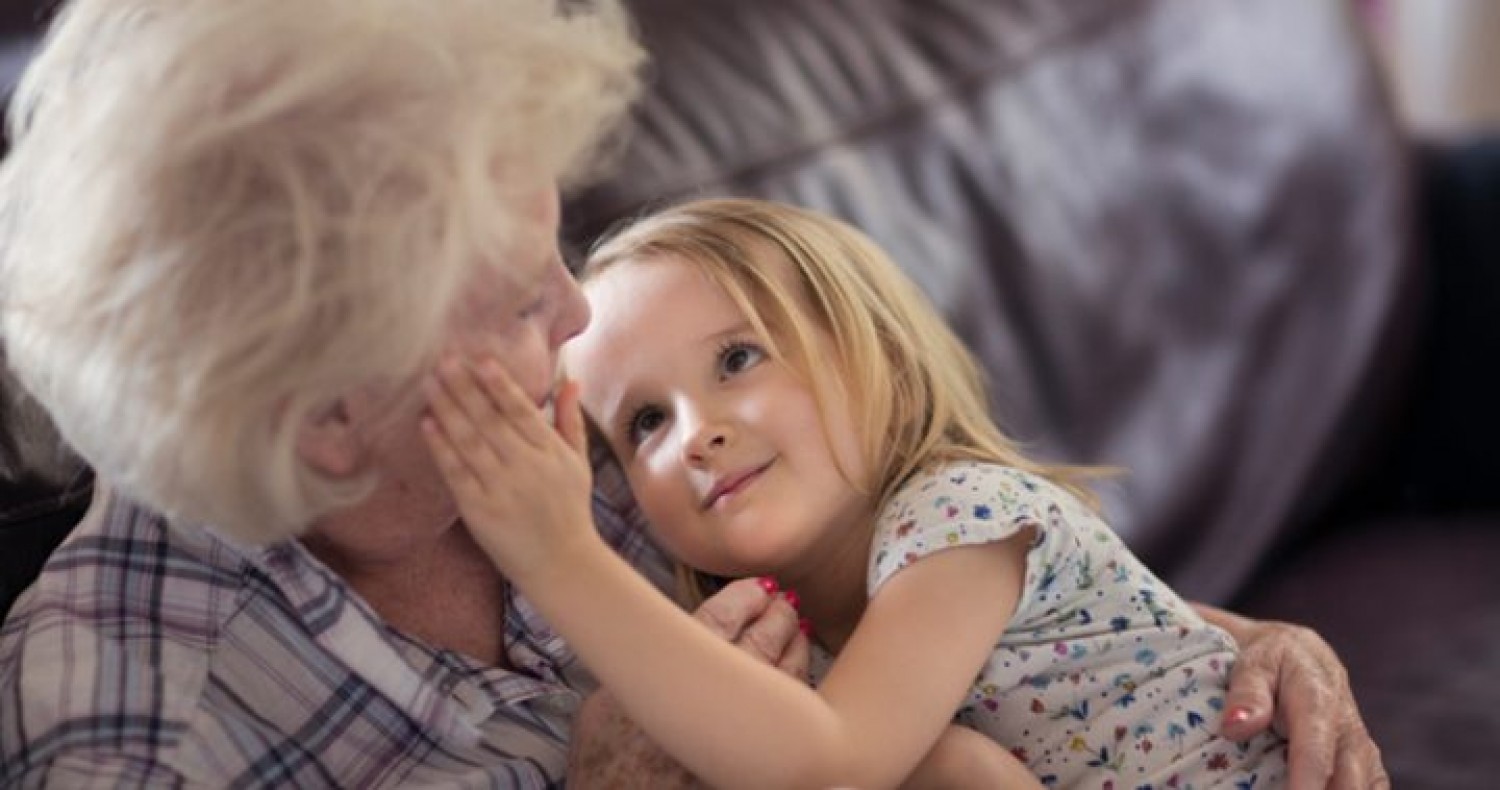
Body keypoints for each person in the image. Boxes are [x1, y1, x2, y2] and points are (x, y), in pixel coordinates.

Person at [0, 0, 1383, 787]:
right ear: (329, 415)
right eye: (508, 298)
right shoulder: (140, 721)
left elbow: (964, 596)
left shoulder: (595, 415)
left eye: (554, 242)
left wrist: (1248, 650)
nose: (573, 314)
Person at [423, 198, 1320, 788]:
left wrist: (557, 555)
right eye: (647, 423)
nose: (696, 434)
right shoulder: (786, 654)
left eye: (738, 359)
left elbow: (834, 765)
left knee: (945, 775)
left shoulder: (961, 519)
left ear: (877, 352)